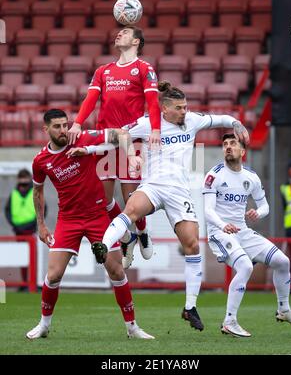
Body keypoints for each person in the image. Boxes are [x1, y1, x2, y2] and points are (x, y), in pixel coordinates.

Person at [67, 81, 249, 332]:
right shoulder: (147, 124)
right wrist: (88, 149)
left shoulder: (193, 121)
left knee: (192, 244)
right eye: (179, 108)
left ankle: (190, 307)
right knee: (130, 210)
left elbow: (221, 119)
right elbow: (117, 137)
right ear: (164, 109)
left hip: (179, 192)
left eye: (185, 107)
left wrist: (237, 124)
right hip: (153, 186)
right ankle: (104, 247)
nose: (184, 111)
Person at [26, 109, 154, 340]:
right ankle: (44, 325)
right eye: (57, 126)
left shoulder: (83, 138)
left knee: (116, 270)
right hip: (68, 220)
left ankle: (132, 327)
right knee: (53, 275)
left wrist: (131, 155)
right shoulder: (41, 160)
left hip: (97, 216)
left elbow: (120, 134)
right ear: (46, 130)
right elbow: (37, 191)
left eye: (66, 125)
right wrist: (42, 225)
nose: (63, 130)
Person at [68, 25, 162, 262]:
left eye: (126, 32)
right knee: (103, 201)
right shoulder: (103, 70)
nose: (118, 33)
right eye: (119, 31)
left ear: (136, 42)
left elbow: (153, 102)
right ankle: (127, 238)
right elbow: (91, 99)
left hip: (132, 141)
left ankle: (142, 232)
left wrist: (156, 130)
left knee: (133, 201)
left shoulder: (144, 68)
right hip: (108, 140)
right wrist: (78, 123)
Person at [202, 133, 291, 338]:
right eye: (225, 144)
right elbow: (208, 211)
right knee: (245, 266)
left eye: (233, 144)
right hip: (219, 233)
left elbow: (265, 206)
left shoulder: (251, 177)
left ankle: (283, 309)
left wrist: (258, 212)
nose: (228, 147)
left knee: (282, 261)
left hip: (242, 232)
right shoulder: (214, 175)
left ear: (243, 151)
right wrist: (223, 225)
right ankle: (229, 321)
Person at [5, 169, 37, 291]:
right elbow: (7, 211)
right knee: (22, 258)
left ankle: (34, 283)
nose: (23, 186)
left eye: (25, 183)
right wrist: (14, 224)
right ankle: (24, 283)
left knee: (33, 259)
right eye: (21, 183)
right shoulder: (13, 194)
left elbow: (42, 209)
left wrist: (34, 224)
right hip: (18, 232)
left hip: (31, 231)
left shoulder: (35, 192)